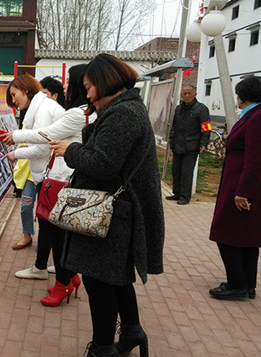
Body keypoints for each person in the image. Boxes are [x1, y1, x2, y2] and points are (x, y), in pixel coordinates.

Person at [50, 54, 164, 356]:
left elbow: (102, 163)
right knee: (116, 277)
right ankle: (132, 331)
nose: (87, 94)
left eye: (88, 87)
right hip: (118, 210)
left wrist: (70, 150)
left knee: (99, 281)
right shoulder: (124, 109)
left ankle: (102, 348)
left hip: (112, 214)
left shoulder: (123, 115)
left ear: (103, 83)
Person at [0, 64, 94, 307]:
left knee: (56, 231)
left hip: (60, 179)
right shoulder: (68, 110)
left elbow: (46, 137)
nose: (64, 87)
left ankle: (64, 279)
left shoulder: (68, 112)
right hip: (58, 177)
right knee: (52, 229)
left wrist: (15, 139)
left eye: (14, 94)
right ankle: (65, 276)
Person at [208, 76, 261, 301]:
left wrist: (244, 192)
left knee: (227, 233)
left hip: (242, 189)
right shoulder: (256, 115)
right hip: (240, 185)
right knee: (245, 236)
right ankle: (246, 284)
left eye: (238, 94)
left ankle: (237, 284)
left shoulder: (260, 118)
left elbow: (256, 160)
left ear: (245, 96)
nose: (236, 99)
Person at [4, 74, 65, 250]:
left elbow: (42, 147)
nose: (14, 100)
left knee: (49, 220)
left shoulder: (43, 110)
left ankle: (55, 269)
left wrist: (16, 153)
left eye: (14, 95)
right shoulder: (39, 109)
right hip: (45, 171)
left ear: (26, 90)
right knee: (43, 216)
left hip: (53, 173)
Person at [167, 85, 212, 205]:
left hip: (191, 146)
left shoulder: (201, 109)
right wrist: (172, 139)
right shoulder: (178, 109)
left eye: (189, 93)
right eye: (184, 93)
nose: (186, 96)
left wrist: (204, 143)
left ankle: (184, 196)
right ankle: (176, 193)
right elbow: (174, 126)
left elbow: (206, 128)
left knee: (187, 172)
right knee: (176, 171)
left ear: (195, 94)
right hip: (177, 145)